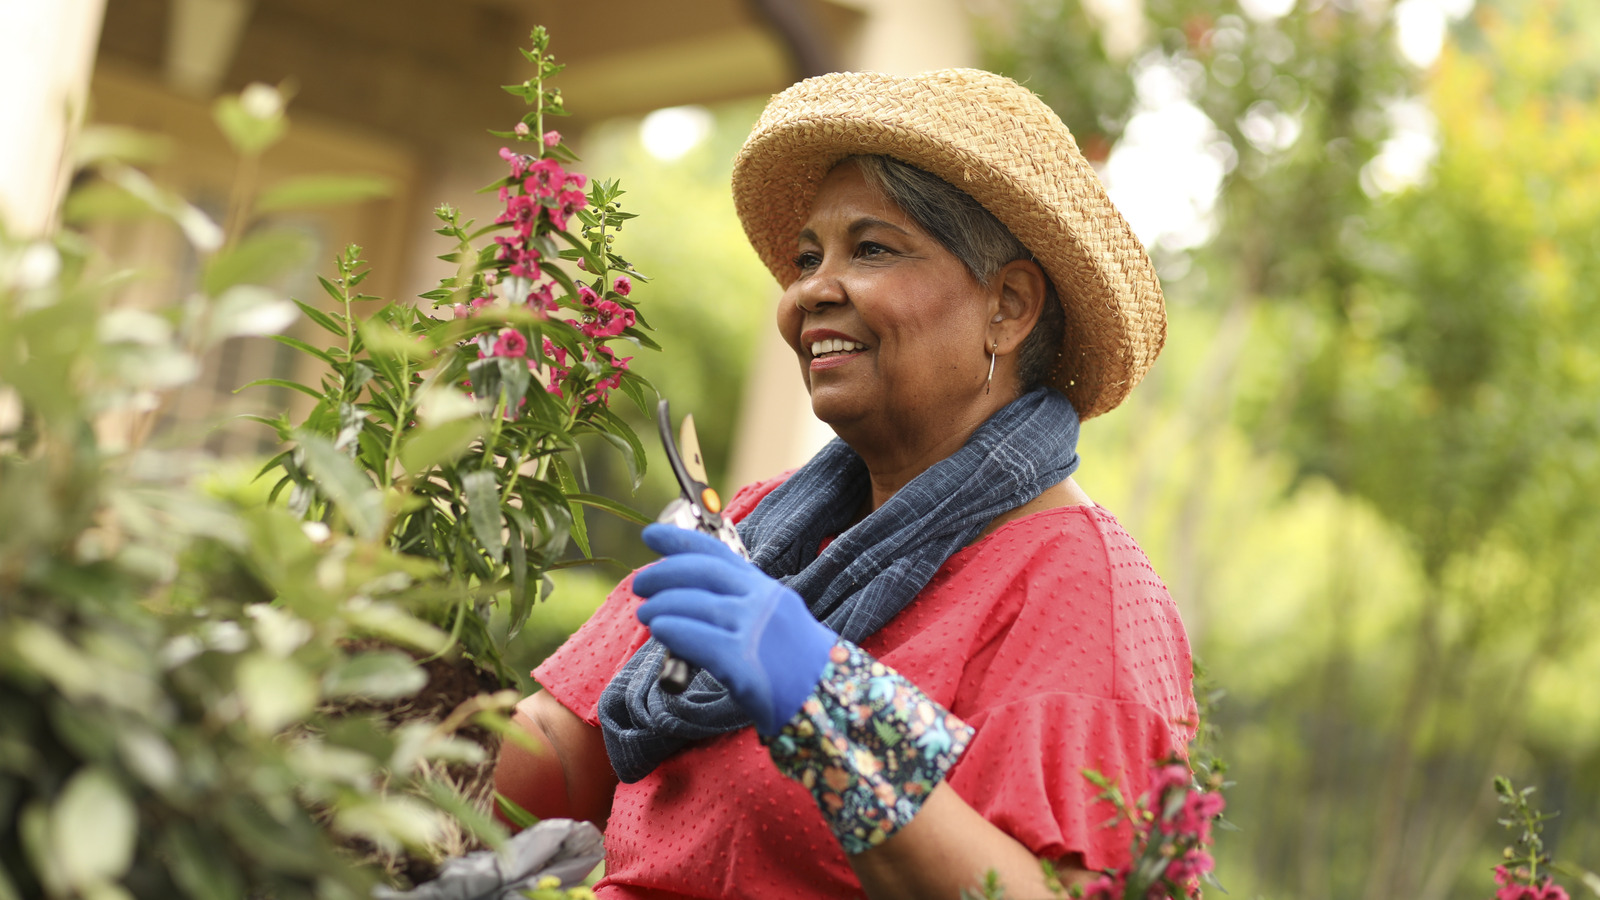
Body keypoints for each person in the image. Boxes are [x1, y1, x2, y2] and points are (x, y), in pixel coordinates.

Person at [494, 68, 1196, 899]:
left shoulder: (1082, 588)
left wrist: (821, 701)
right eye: (805, 257)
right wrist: (356, 702)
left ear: (1007, 304)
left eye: (870, 249)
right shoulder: (760, 522)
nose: (808, 294)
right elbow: (562, 755)